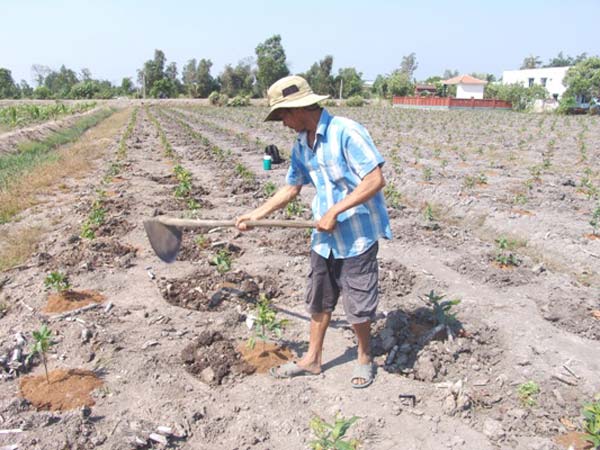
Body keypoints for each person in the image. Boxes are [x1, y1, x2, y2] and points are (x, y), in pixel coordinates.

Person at [235, 75, 391, 388]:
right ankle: (313, 359)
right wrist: (256, 214)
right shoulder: (300, 144)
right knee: (319, 297)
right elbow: (292, 187)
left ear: (299, 108)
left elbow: (374, 180)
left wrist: (335, 211)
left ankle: (363, 357)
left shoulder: (346, 132)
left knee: (358, 303)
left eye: (282, 115)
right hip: (323, 238)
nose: (282, 123)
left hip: (356, 235)